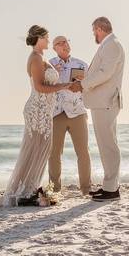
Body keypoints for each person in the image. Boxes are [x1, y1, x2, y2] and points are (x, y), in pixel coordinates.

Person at [0, 25, 72, 207]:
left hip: (44, 111)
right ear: (39, 38)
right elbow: (40, 87)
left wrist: (56, 72)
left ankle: (30, 188)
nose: (49, 41)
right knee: (35, 149)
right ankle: (25, 191)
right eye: (47, 38)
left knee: (42, 148)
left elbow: (46, 79)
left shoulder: (41, 58)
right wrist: (63, 86)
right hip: (37, 111)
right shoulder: (35, 58)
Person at [69, 16, 125, 201]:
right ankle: (109, 186)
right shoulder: (108, 46)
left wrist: (83, 84)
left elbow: (105, 73)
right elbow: (100, 72)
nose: (94, 34)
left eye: (94, 30)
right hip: (102, 102)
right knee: (105, 144)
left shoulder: (112, 45)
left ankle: (112, 189)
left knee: (108, 145)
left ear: (100, 28)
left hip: (106, 102)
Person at [48, 36, 92, 196]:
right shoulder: (49, 64)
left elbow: (90, 86)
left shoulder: (81, 64)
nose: (64, 45)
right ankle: (54, 190)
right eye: (60, 43)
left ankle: (86, 189)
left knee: (83, 152)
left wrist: (81, 86)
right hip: (56, 113)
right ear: (54, 48)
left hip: (78, 112)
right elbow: (43, 86)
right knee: (53, 154)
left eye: (66, 41)